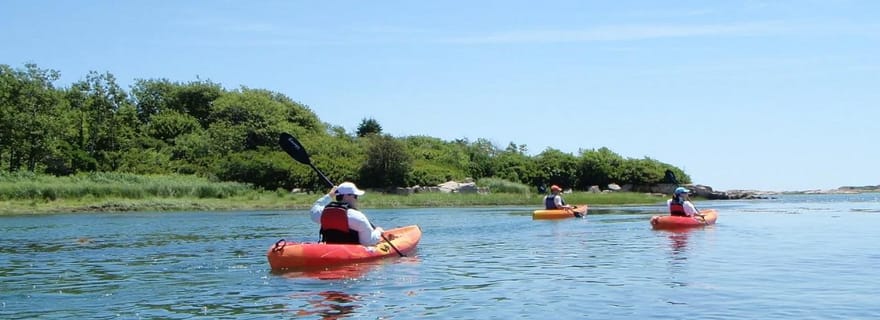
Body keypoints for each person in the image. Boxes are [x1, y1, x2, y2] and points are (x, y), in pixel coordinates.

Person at [309, 181, 384, 245]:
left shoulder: (323, 212)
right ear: (347, 196)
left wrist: (330, 195)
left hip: (330, 247)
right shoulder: (358, 216)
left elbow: (314, 208)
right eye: (355, 196)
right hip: (351, 252)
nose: (356, 199)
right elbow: (368, 241)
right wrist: (378, 232)